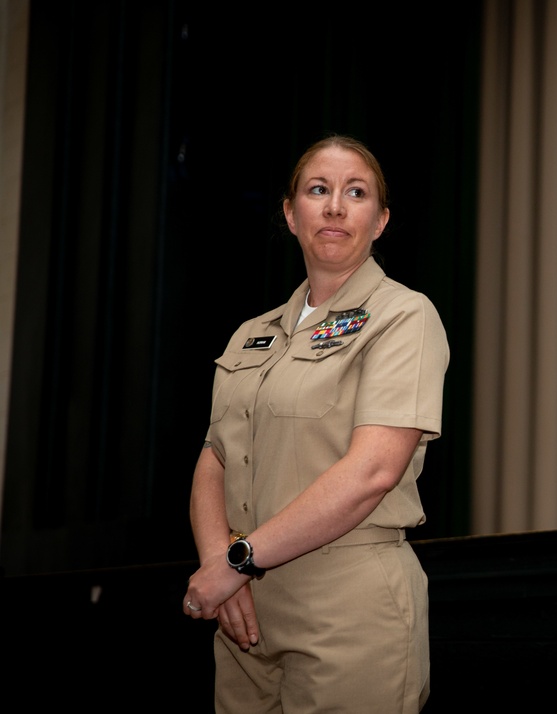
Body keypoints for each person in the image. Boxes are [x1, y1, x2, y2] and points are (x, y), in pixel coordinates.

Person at [182, 134, 449, 713]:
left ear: (379, 221)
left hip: (348, 605)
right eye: (317, 190)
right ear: (289, 212)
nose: (334, 206)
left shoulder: (404, 316)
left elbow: (374, 470)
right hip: (245, 610)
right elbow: (214, 459)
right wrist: (221, 568)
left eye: (355, 193)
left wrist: (235, 561)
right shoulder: (253, 332)